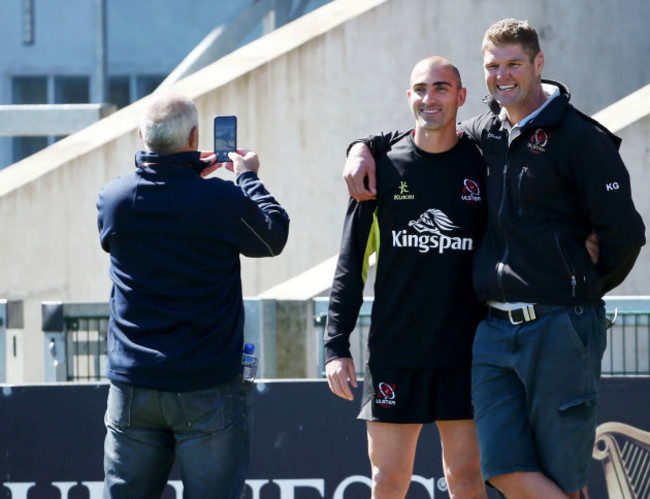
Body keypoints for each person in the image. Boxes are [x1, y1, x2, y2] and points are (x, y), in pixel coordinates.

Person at [342, 19, 646, 499]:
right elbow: (426, 127)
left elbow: (626, 233)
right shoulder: (487, 131)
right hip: (494, 334)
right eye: (493, 66)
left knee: (561, 474)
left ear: (538, 64)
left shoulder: (580, 137)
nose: (503, 75)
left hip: (561, 324)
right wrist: (362, 146)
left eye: (514, 64)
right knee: (499, 471)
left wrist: (580, 285)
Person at [96, 91, 290, 498]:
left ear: (141, 135)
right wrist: (248, 176)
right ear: (194, 137)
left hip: (135, 386)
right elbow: (273, 236)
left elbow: (159, 203)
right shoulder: (220, 199)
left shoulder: (115, 198)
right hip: (208, 386)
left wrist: (182, 171)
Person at [325, 56, 488, 499]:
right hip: (397, 349)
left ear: (461, 96)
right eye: (420, 89)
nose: (428, 98)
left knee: (467, 478)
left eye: (440, 88)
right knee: (388, 480)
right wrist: (336, 346)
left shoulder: (483, 163)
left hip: (467, 351)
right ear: (408, 96)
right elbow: (350, 266)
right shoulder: (380, 167)